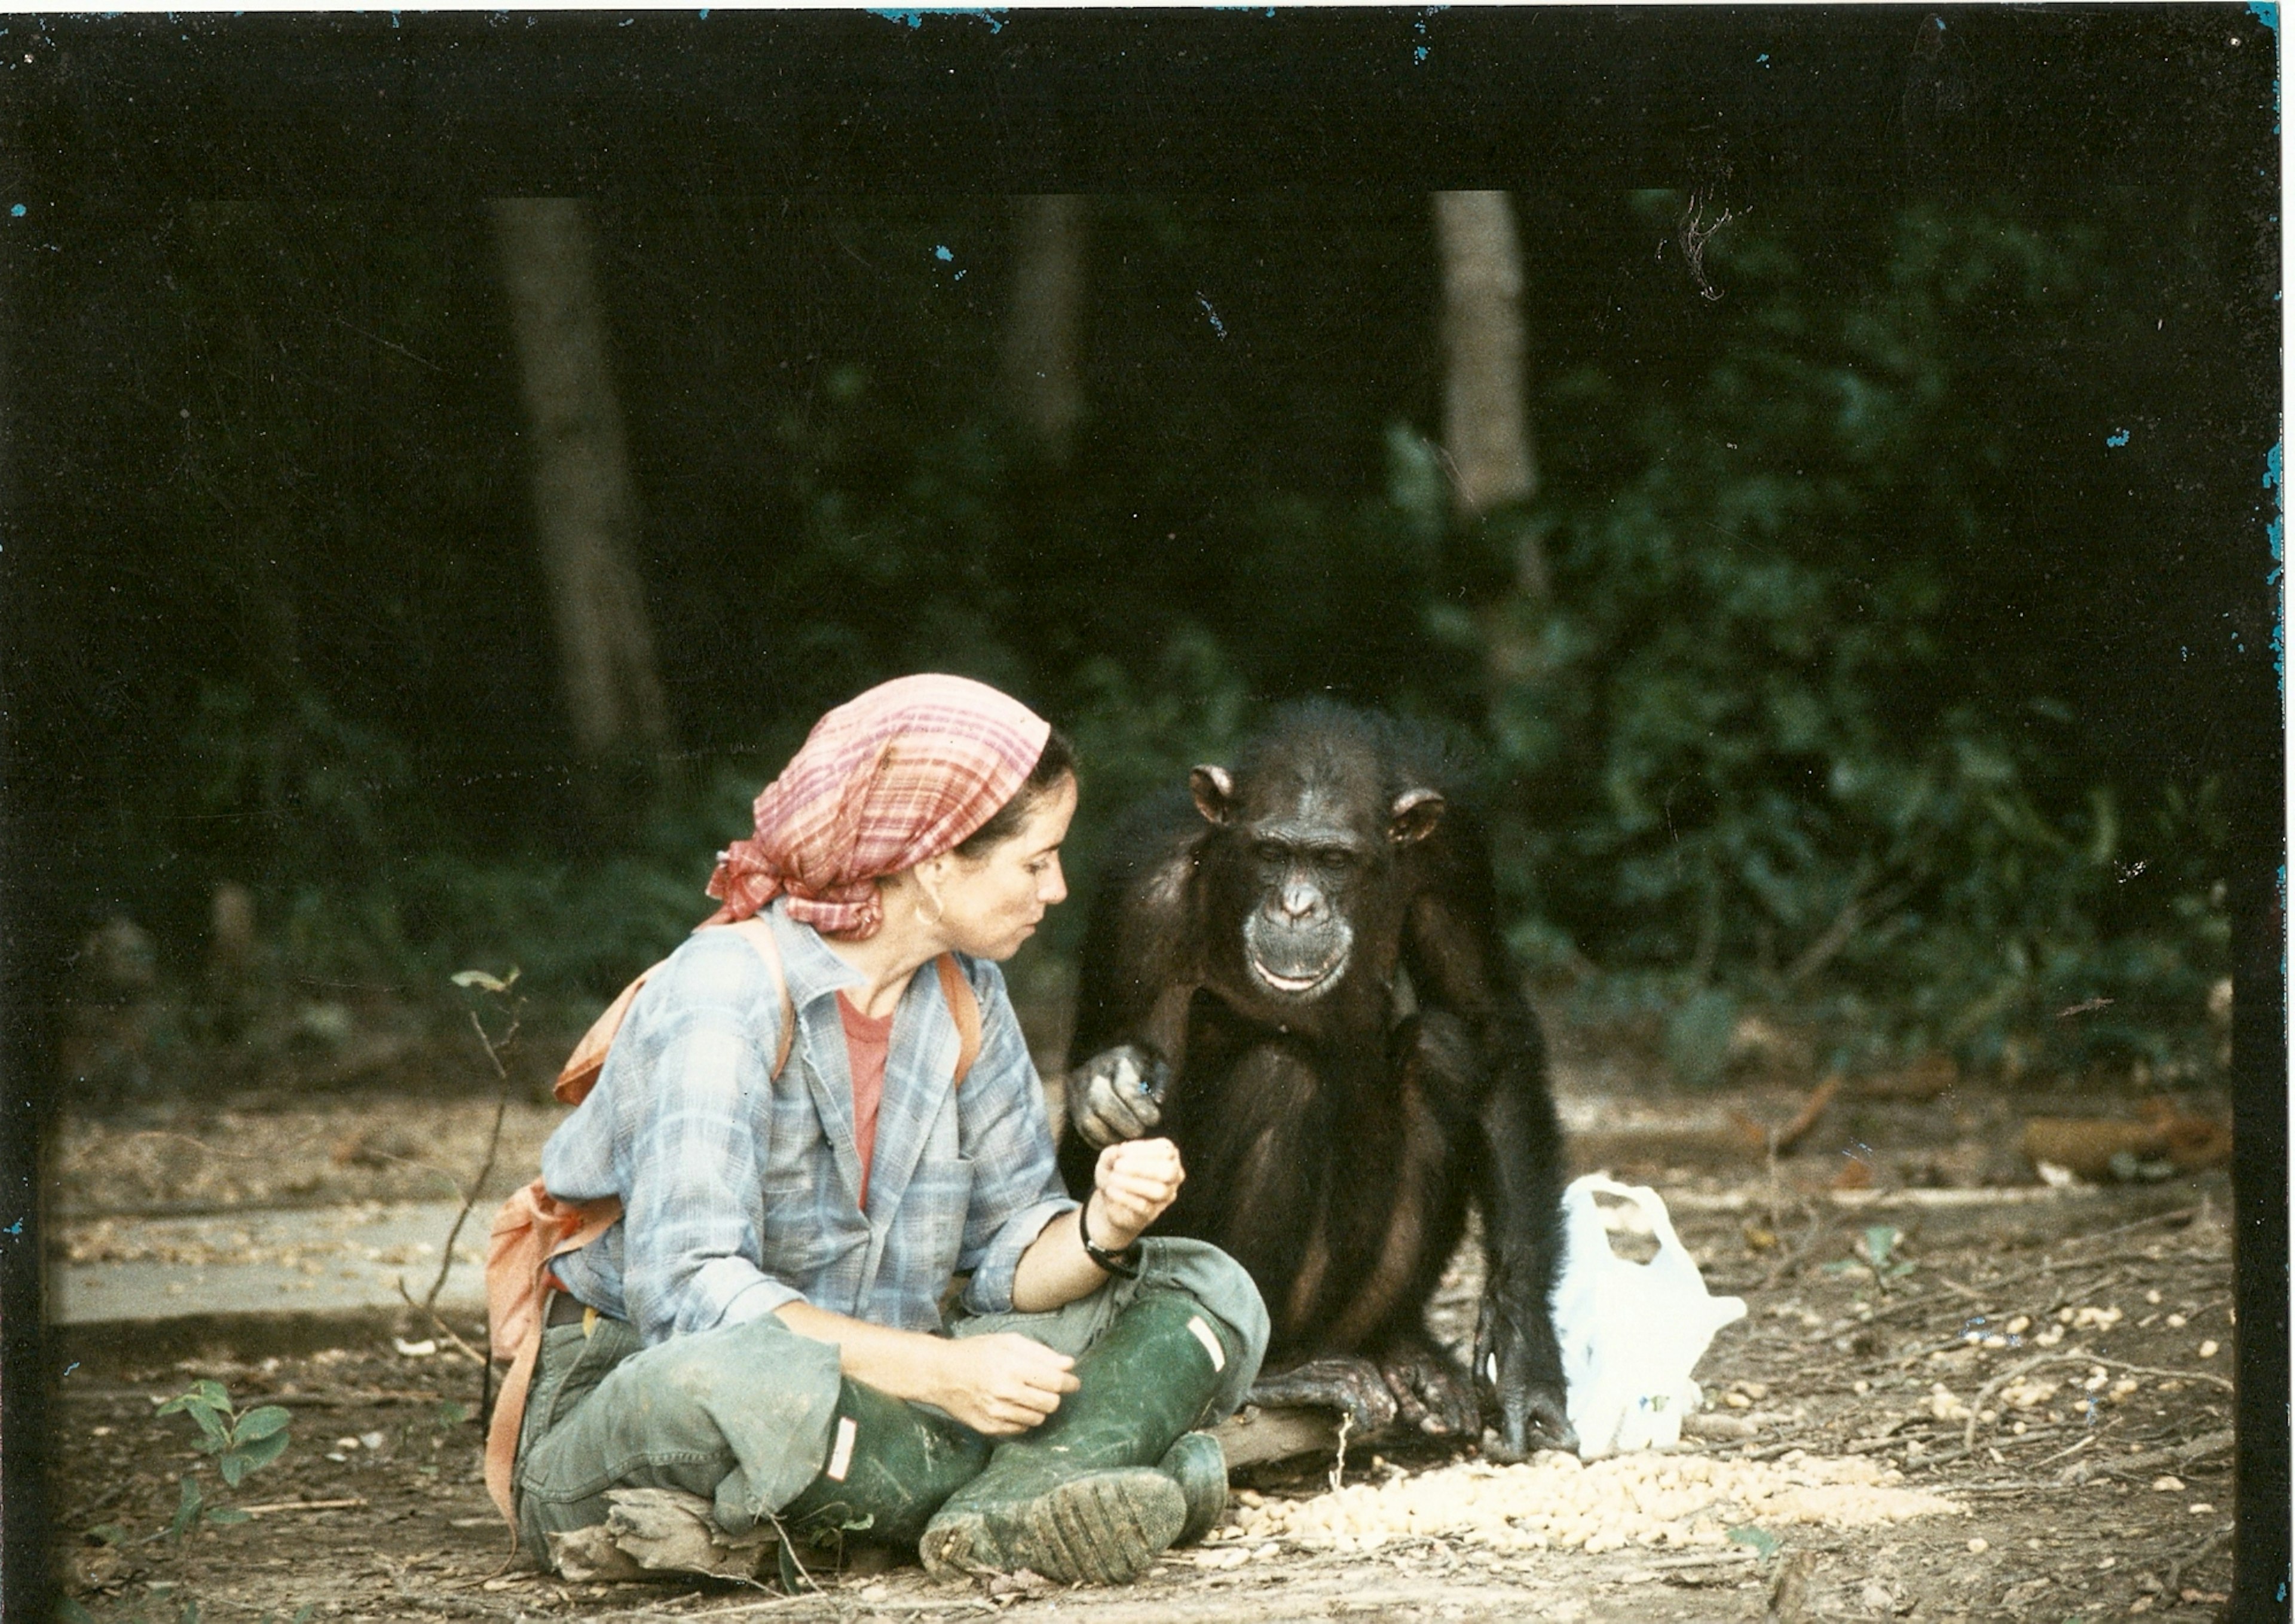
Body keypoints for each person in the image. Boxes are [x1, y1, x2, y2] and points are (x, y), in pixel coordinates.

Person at [510, 674, 1270, 1586]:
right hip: (653, 1395)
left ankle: (998, 1508)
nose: (1058, 889)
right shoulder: (723, 992)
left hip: (881, 1401)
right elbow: (690, 1297)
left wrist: (1103, 1223)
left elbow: (1008, 1250)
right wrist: (948, 1378)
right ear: (934, 860)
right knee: (737, 1385)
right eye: (1034, 861)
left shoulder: (964, 991)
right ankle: (1106, 1469)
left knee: (1202, 1282)